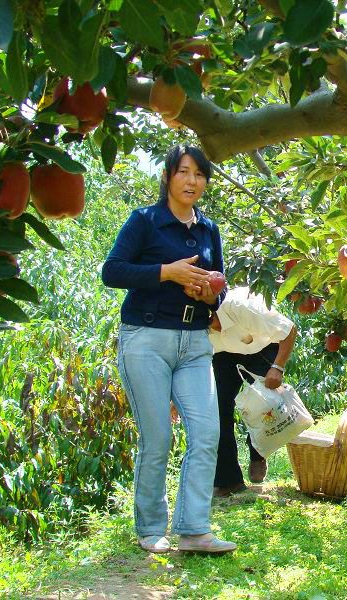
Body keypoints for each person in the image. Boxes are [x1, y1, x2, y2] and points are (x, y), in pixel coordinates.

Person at [101, 145, 236, 555]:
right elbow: (113, 271)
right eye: (183, 172)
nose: (192, 181)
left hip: (195, 341)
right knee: (158, 437)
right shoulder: (145, 222)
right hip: (146, 339)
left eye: (199, 174)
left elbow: (220, 287)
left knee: (208, 432)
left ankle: (195, 529)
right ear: (168, 177)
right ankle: (150, 528)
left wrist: (207, 292)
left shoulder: (208, 229)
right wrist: (168, 272)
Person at [208, 286, 297, 496]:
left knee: (264, 405)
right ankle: (228, 480)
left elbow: (289, 330)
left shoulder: (243, 307)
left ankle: (257, 454)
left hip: (263, 347)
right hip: (223, 355)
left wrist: (278, 367)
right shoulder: (195, 326)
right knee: (216, 411)